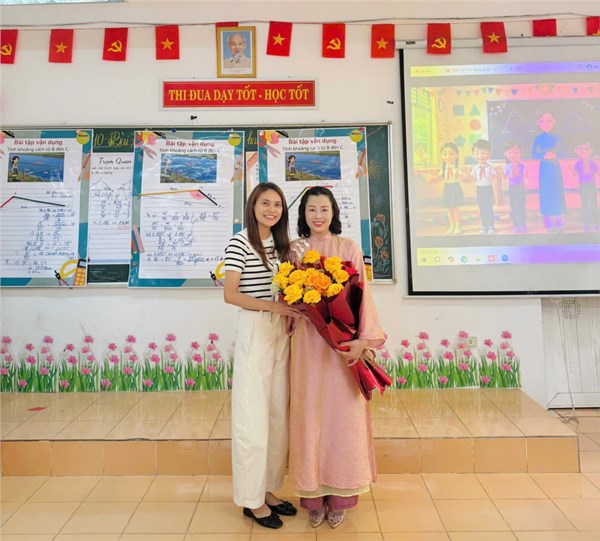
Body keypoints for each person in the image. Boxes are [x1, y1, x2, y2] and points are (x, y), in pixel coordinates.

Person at [288, 186, 385, 529]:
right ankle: (313, 498)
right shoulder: (294, 250)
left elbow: (363, 297)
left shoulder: (349, 248)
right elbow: (285, 301)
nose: (318, 215)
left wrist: (362, 341)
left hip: (343, 348)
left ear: (334, 213)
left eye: (324, 209)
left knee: (342, 417)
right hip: (307, 347)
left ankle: (342, 497)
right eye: (311, 209)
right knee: (310, 414)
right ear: (303, 215)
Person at [223, 182, 300, 530]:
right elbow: (230, 294)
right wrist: (273, 307)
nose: (272, 209)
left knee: (276, 416)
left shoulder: (283, 246)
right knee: (251, 418)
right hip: (255, 328)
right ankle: (250, 500)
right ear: (253, 206)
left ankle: (267, 489)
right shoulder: (240, 242)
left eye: (278, 204)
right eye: (265, 203)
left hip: (280, 332)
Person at [531, 112, 566, 232]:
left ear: (555, 121)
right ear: (538, 123)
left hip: (555, 167)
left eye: (549, 120)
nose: (546, 123)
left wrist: (555, 155)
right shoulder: (538, 138)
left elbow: (564, 151)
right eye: (542, 121)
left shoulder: (558, 137)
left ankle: (559, 222)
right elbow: (533, 153)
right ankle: (548, 223)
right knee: (546, 192)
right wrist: (543, 155)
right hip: (544, 168)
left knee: (557, 191)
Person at [471, 139, 499, 234]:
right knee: (481, 207)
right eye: (477, 153)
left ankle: (491, 225)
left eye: (484, 153)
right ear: (473, 154)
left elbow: (495, 177)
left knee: (489, 207)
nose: (480, 156)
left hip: (488, 188)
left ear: (489, 154)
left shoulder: (490, 167)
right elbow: (472, 178)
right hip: (479, 189)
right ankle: (483, 225)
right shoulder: (475, 168)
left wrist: (492, 175)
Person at [571, 140, 599, 232]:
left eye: (586, 149)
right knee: (584, 204)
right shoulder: (578, 163)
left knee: (593, 204)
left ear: (591, 150)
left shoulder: (593, 163)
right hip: (582, 186)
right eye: (581, 149)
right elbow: (575, 174)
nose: (584, 151)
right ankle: (586, 223)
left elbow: (597, 172)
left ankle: (595, 223)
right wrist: (571, 170)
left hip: (591, 185)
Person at [438, 142, 465, 235]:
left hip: (455, 187)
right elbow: (439, 177)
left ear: (456, 155)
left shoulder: (457, 168)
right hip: (447, 187)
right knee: (449, 208)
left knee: (455, 207)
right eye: (445, 153)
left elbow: (463, 176)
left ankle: (458, 226)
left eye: (451, 153)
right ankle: (452, 225)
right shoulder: (443, 168)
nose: (448, 156)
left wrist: (461, 174)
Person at [502, 140, 528, 233]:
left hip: (521, 188)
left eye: (516, 152)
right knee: (514, 207)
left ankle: (523, 225)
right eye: (509, 152)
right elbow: (505, 177)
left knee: (521, 206)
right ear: (505, 154)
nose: (513, 155)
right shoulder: (506, 166)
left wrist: (527, 169)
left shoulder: (523, 166)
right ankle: (516, 225)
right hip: (512, 188)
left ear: (520, 152)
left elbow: (526, 177)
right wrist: (502, 172)